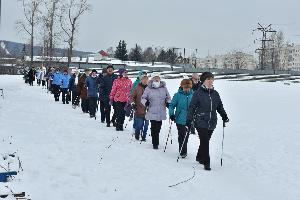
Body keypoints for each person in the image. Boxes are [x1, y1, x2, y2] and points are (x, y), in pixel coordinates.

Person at [186, 72, 229, 171]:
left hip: (212, 121)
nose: (210, 81)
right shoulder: (198, 93)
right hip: (200, 121)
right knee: (205, 142)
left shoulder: (215, 94)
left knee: (205, 141)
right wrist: (189, 119)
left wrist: (224, 116)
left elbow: (219, 107)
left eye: (212, 79)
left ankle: (199, 157)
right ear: (203, 81)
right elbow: (192, 107)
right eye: (208, 79)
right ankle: (206, 162)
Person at [141, 73, 171, 149]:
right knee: (154, 127)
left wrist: (168, 103)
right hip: (152, 110)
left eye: (158, 78)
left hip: (161, 111)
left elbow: (168, 97)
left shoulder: (164, 88)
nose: (157, 80)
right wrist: (146, 102)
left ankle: (155, 138)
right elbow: (143, 98)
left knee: (158, 127)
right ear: (152, 79)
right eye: (155, 78)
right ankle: (155, 143)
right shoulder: (148, 88)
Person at [169, 79, 193, 158]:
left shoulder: (193, 95)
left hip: (190, 119)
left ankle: (183, 148)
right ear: (182, 87)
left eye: (188, 87)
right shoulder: (177, 95)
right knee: (182, 135)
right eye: (185, 87)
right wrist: (171, 114)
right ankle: (183, 151)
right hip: (179, 118)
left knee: (186, 135)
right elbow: (172, 105)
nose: (187, 89)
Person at [130, 75, 149, 141]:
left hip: (148, 110)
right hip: (139, 109)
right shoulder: (137, 88)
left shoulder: (150, 89)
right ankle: (137, 135)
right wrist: (133, 103)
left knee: (146, 125)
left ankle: (144, 137)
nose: (145, 81)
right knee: (139, 125)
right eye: (144, 80)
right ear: (141, 80)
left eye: (146, 80)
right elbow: (132, 97)